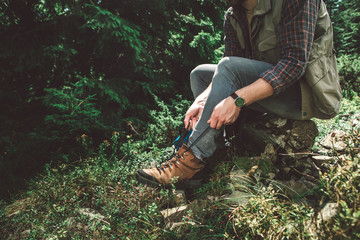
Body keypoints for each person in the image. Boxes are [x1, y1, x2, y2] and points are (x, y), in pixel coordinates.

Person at [136, 0, 342, 188]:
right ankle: (216, 150)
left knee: (228, 68)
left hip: (305, 93)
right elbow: (228, 62)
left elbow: (294, 64)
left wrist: (238, 99)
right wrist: (203, 99)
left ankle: (192, 160)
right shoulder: (234, 14)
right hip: (268, 91)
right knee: (200, 75)